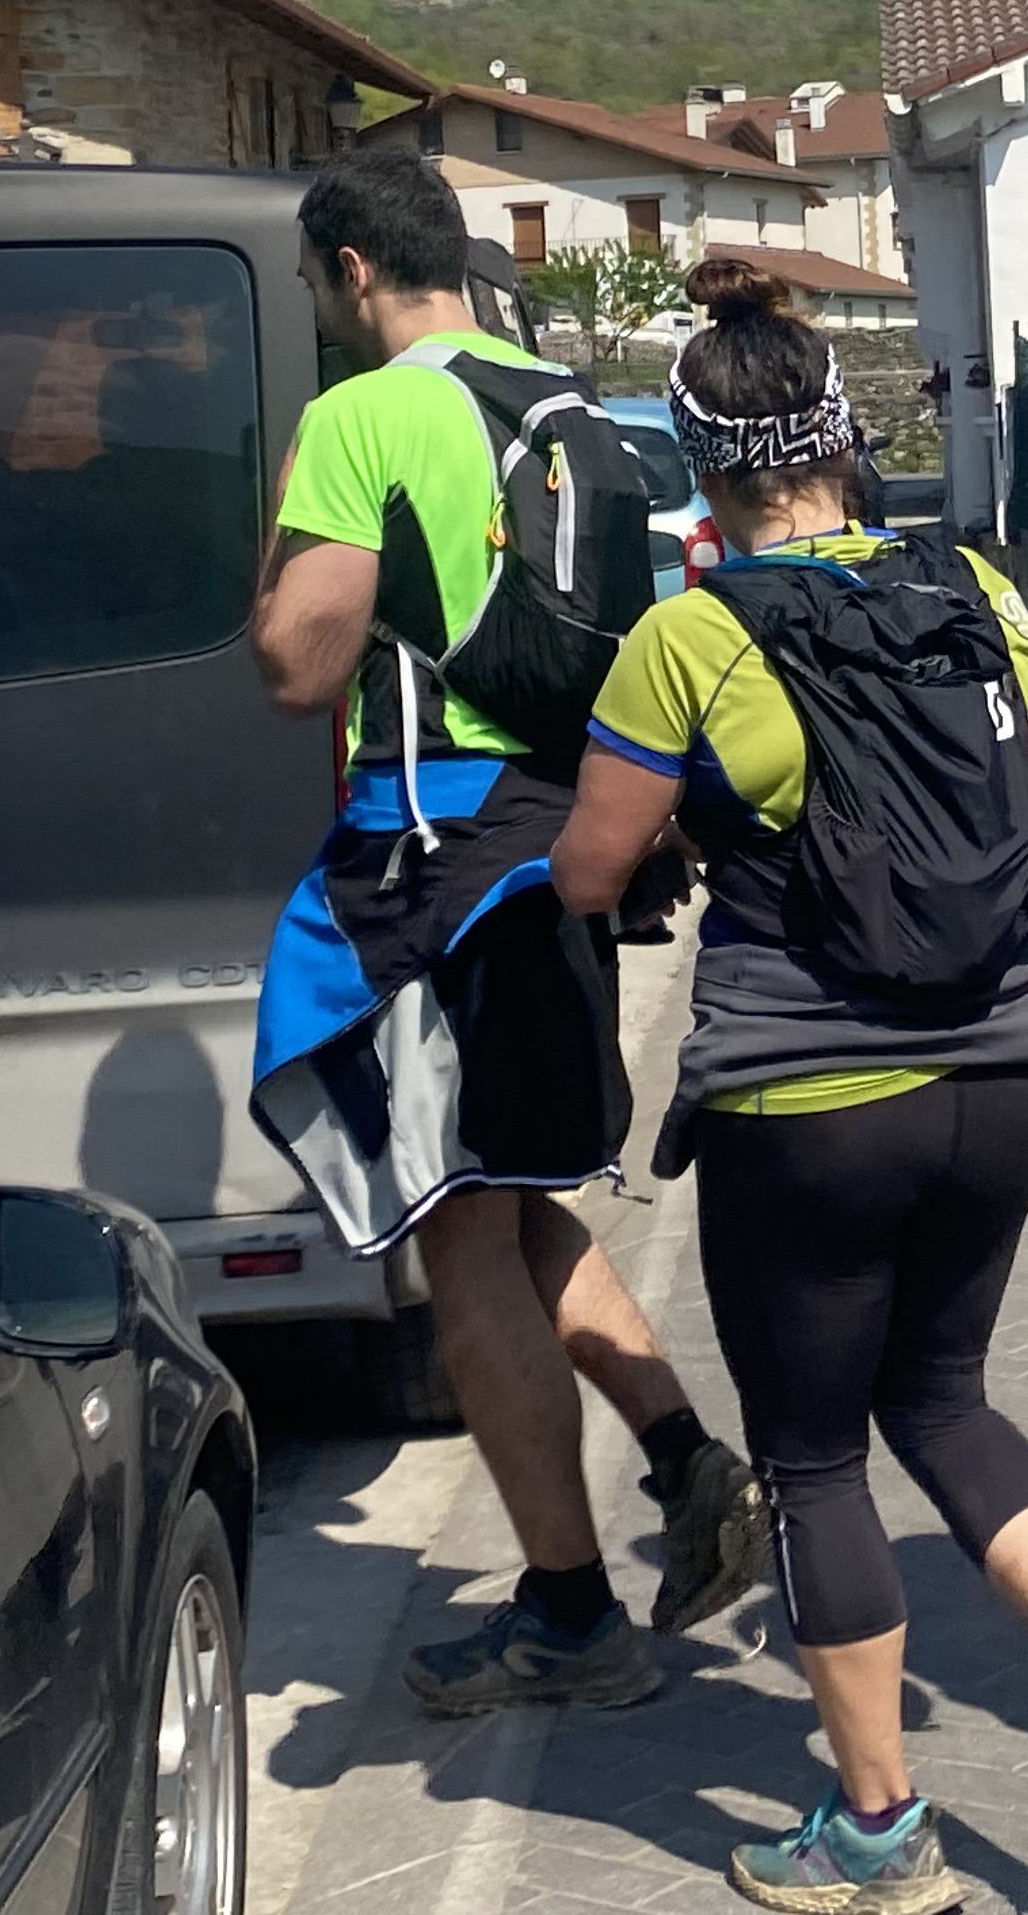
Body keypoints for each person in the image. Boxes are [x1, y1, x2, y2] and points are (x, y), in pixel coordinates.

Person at [548, 260, 1028, 1911]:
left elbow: (590, 869)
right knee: (943, 1398)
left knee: (813, 1457)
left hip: (808, 1099)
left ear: (701, 465)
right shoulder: (975, 590)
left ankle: (877, 1830)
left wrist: (691, 831)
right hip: (1005, 1070)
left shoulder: (689, 635)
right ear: (846, 439)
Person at [245, 140, 767, 1709]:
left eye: (315, 283)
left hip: (432, 862)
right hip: (559, 842)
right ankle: (685, 1462)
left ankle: (572, 1618)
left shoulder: (364, 416)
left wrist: (272, 568)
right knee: (518, 1190)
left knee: (459, 1230)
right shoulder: (567, 406)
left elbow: (299, 665)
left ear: (352, 269)